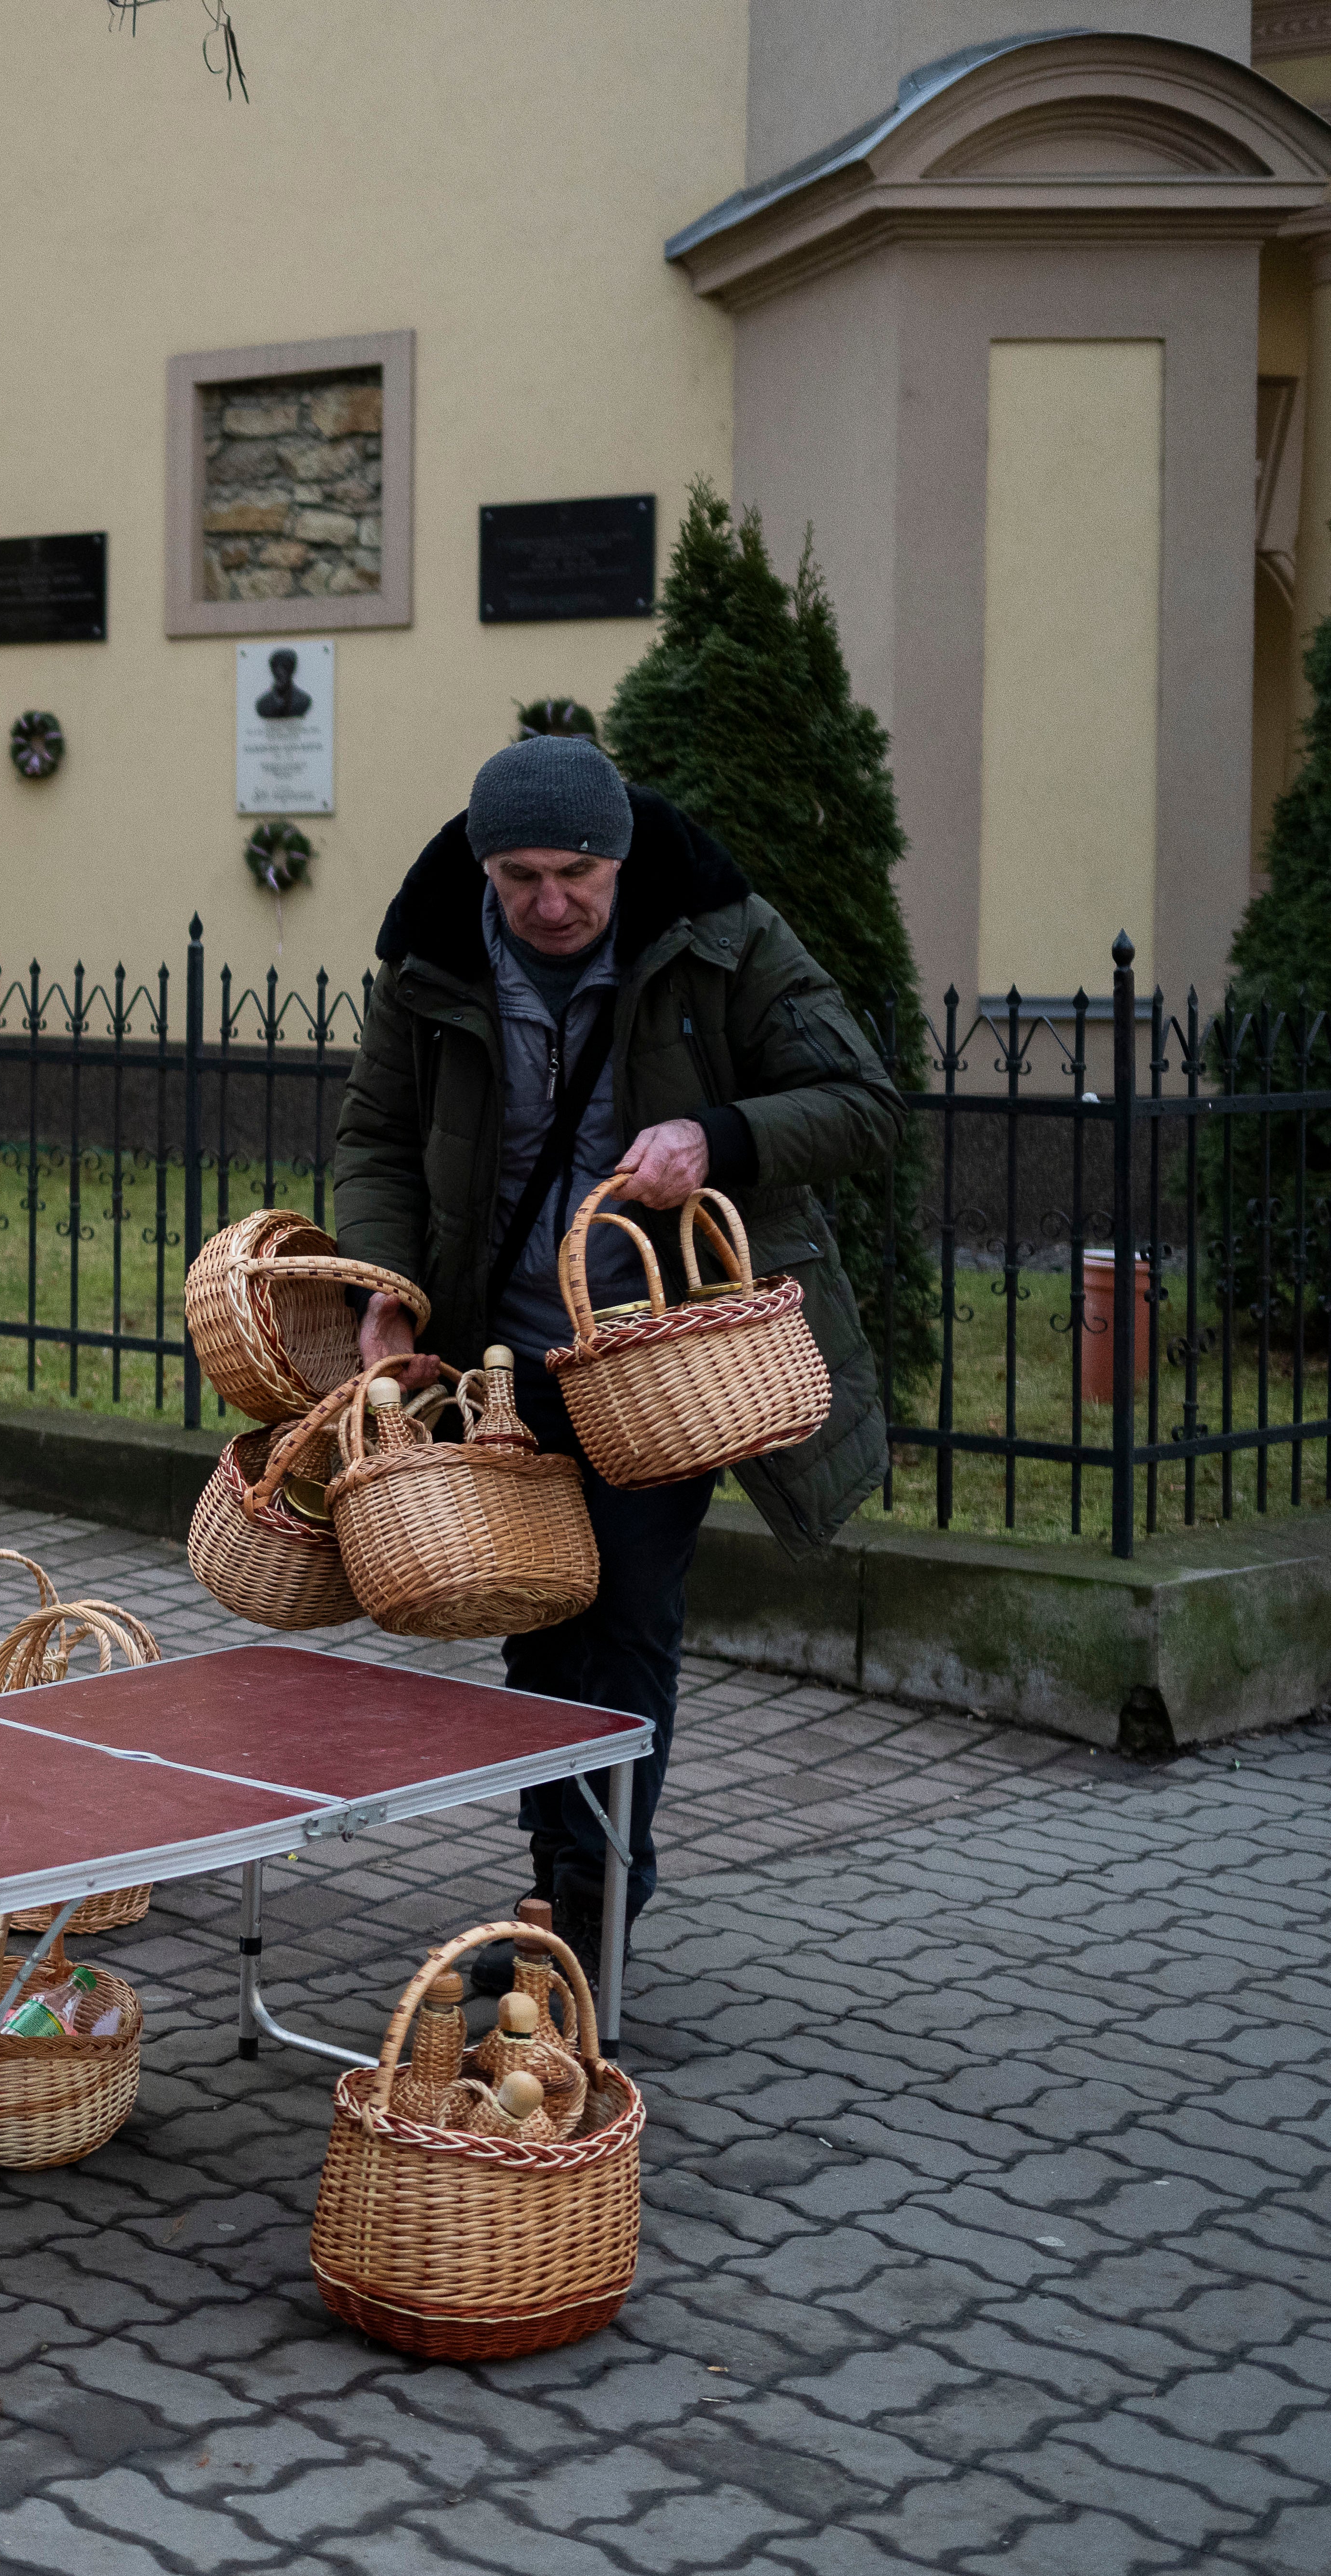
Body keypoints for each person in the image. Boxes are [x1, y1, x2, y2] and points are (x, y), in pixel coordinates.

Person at [329, 734, 900, 1974]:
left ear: (622, 857)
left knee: (630, 1615)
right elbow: (377, 1137)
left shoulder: (722, 937)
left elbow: (864, 1100)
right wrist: (388, 1289)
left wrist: (720, 1134)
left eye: (577, 874)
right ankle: (558, 1891)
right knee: (537, 1625)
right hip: (504, 1362)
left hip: (659, 1359)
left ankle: (592, 1917)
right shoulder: (431, 961)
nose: (549, 903)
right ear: (484, 869)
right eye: (520, 876)